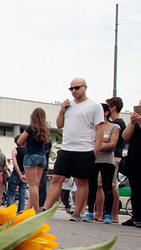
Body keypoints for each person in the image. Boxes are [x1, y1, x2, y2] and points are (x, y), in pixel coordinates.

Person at [42, 78, 105, 222]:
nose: (74, 91)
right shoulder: (69, 106)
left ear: (85, 87)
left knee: (81, 181)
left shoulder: (94, 106)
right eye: (71, 89)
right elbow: (59, 125)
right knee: (57, 178)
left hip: (85, 148)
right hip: (67, 148)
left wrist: (96, 149)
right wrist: (61, 111)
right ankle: (45, 209)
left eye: (77, 88)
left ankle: (77, 213)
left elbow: (99, 128)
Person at [83, 103, 119, 223]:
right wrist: (102, 145)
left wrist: (97, 145)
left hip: (107, 161)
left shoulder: (115, 127)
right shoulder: (93, 128)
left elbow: (112, 144)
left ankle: (108, 214)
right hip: (93, 160)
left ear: (106, 112)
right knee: (92, 187)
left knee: (108, 187)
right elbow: (88, 142)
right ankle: (90, 212)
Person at [17, 107, 50, 212]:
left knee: (32, 185)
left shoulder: (31, 127)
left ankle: (37, 209)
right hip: (42, 157)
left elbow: (19, 140)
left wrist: (26, 142)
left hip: (31, 156)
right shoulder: (44, 129)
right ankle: (28, 209)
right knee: (36, 184)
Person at [104, 97, 127, 223]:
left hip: (115, 157)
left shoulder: (118, 124)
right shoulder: (115, 123)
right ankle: (109, 212)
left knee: (112, 185)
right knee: (107, 185)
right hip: (111, 156)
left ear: (113, 107)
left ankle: (114, 214)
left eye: (108, 106)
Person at [121, 98, 141, 227]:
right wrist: (132, 122)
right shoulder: (136, 122)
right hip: (134, 160)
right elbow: (125, 136)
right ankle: (136, 216)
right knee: (135, 189)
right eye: (140, 106)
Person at [7, 135, 27, 213]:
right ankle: (21, 211)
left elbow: (15, 164)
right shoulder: (28, 151)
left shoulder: (15, 150)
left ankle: (10, 211)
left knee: (11, 193)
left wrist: (19, 174)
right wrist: (25, 174)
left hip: (16, 174)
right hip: (26, 174)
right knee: (22, 194)